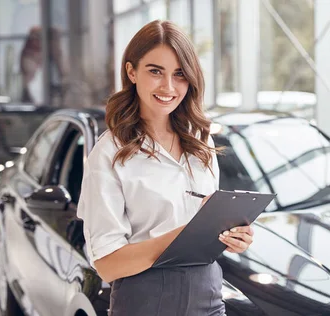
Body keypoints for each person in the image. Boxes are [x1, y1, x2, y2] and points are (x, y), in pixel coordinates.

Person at [76, 20, 253, 315]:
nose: (168, 87)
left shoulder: (200, 138)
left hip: (208, 297)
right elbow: (108, 265)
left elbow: (208, 230)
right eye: (155, 71)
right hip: (145, 302)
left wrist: (233, 237)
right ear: (132, 72)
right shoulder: (109, 153)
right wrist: (184, 236)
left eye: (180, 74)